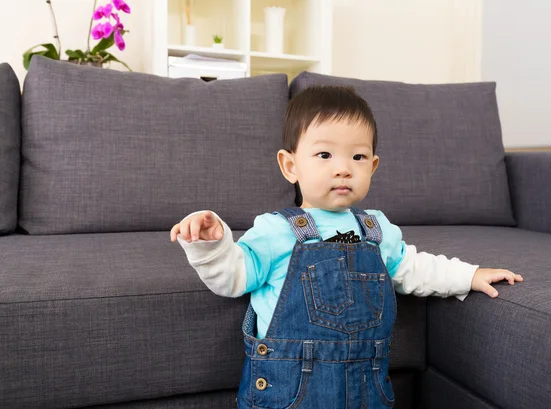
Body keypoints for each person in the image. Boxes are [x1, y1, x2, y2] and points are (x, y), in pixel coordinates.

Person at [170, 85, 523, 408]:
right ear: (290, 165)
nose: (343, 169)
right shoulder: (276, 230)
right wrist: (210, 245)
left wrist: (470, 275)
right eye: (324, 155)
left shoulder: (376, 228)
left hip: (366, 393)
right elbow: (234, 277)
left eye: (357, 157)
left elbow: (412, 268)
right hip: (287, 395)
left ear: (373, 165)